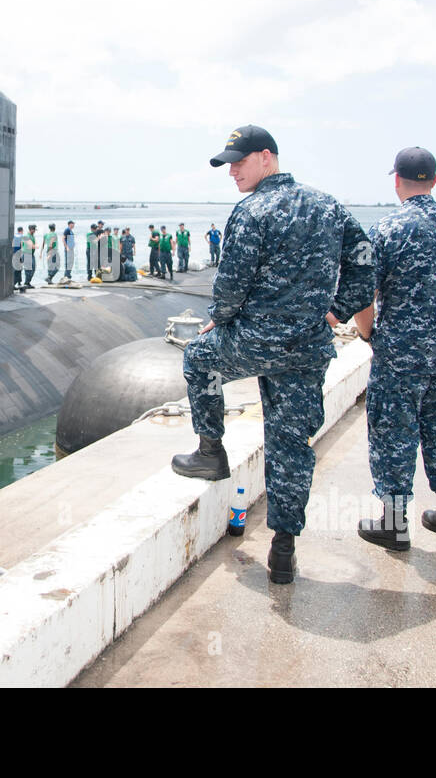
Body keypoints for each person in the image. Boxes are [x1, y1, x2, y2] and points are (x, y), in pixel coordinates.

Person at [171, 125, 375, 585]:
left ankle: (210, 451)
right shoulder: (329, 205)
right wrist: (337, 311)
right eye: (229, 165)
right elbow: (365, 261)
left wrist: (218, 318)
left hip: (254, 340)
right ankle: (284, 549)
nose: (233, 172)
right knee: (291, 443)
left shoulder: (252, 210)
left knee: (199, 358)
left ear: (267, 158)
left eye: (239, 162)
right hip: (306, 348)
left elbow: (230, 284)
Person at [349, 148, 436, 550]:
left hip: (398, 354)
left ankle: (394, 524)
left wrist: (371, 335)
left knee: (393, 431)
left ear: (396, 181)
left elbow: (361, 296)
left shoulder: (386, 231)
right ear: (434, 183)